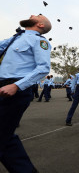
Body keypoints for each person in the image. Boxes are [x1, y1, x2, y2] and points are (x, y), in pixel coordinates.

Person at [0, 14, 51, 172]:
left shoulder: (39, 41)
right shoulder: (16, 38)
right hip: (3, 85)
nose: (32, 15)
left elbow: (43, 68)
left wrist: (16, 86)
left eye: (37, 15)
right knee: (5, 137)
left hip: (15, 89)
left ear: (40, 24)